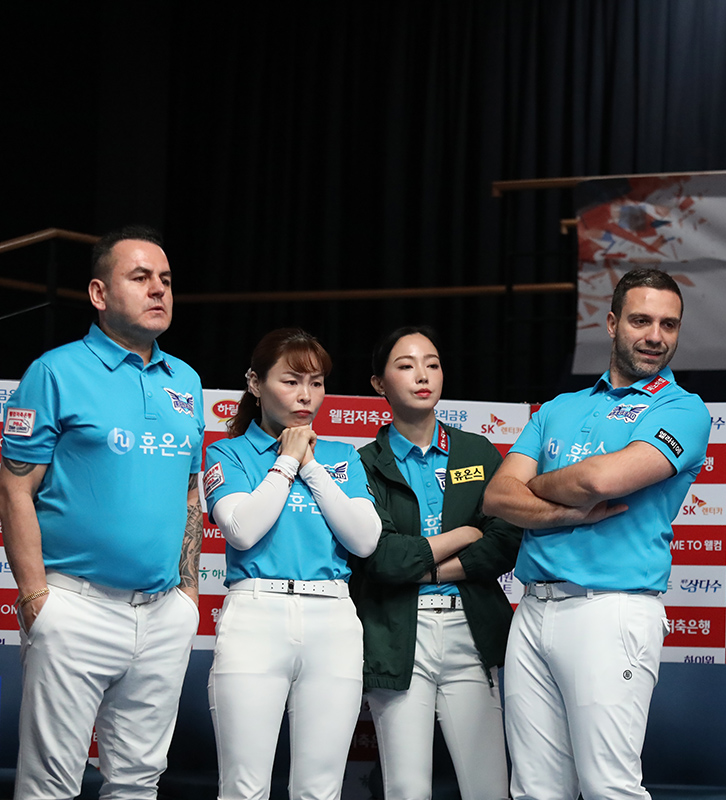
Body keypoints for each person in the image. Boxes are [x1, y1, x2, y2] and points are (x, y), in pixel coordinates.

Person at [483, 267, 710, 800]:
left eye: (669, 324)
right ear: (611, 324)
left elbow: (601, 479)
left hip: (612, 609)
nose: (655, 336)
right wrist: (569, 511)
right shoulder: (561, 407)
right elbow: (496, 497)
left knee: (609, 786)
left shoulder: (681, 408)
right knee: (535, 789)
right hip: (534, 609)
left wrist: (537, 486)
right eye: (641, 320)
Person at [0, 225, 205, 800]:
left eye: (165, 280)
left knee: (139, 782)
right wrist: (37, 597)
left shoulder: (185, 380)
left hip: (164, 613)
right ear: (98, 293)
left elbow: (191, 492)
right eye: (140, 278)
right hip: (74, 608)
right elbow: (15, 489)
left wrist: (188, 594)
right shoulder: (55, 372)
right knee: (50, 785)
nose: (158, 290)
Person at [202, 328, 381, 800]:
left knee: (321, 789)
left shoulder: (343, 457)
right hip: (256, 615)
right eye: (291, 380)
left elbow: (364, 541)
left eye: (317, 382)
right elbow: (242, 528)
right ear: (256, 384)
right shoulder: (227, 451)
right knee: (244, 787)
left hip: (334, 620)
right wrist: (285, 461)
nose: (306, 395)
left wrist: (311, 465)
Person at [350, 326, 522, 800]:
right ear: (378, 384)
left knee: (488, 788)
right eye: (405, 365)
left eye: (432, 363)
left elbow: (504, 541)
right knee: (407, 790)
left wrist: (428, 569)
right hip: (397, 635)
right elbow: (380, 557)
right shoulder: (360, 463)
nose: (422, 375)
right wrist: (463, 535)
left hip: (471, 636)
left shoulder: (477, 452)